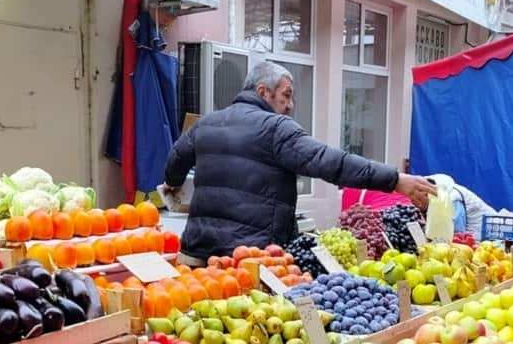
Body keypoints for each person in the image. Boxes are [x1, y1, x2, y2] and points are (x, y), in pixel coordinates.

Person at [162, 62, 436, 262]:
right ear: (263, 91)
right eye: (286, 95)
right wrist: (395, 180)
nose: (290, 105)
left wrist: (174, 187)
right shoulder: (276, 128)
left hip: (198, 253)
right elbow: (331, 162)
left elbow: (175, 161)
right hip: (251, 258)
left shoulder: (206, 123)